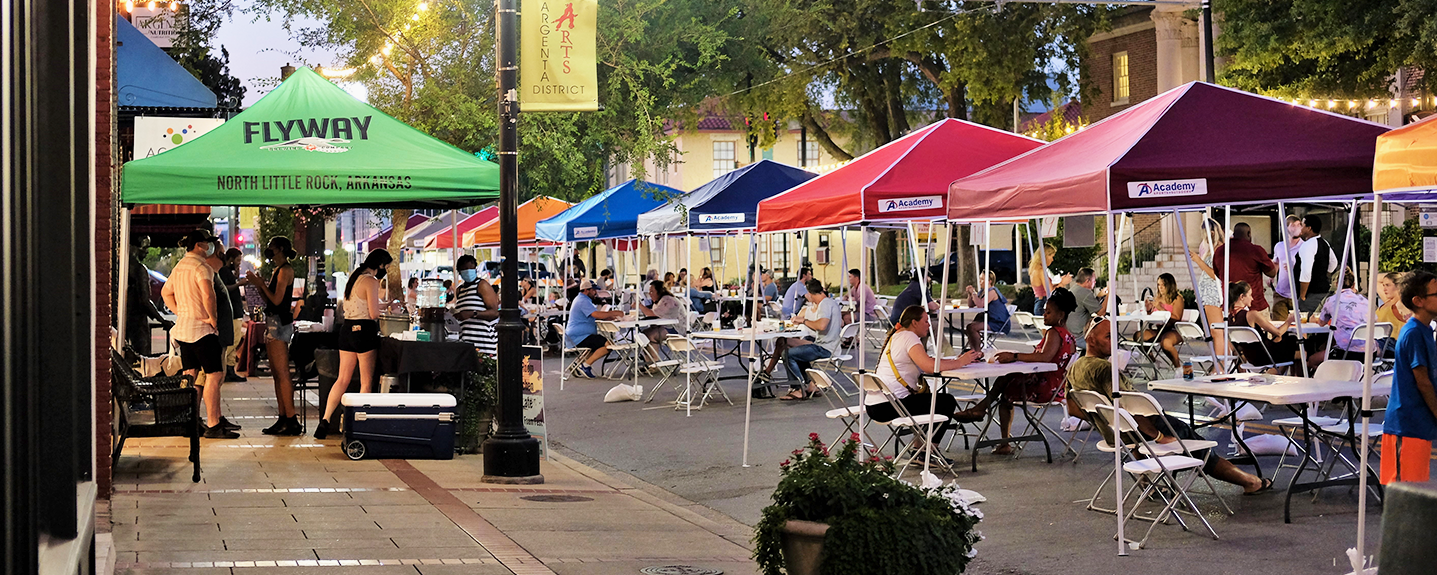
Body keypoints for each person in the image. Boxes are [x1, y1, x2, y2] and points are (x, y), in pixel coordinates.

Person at [1069, 319, 1272, 493]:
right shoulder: (1105, 369)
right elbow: (1132, 408)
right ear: (1091, 339)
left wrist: (1105, 421)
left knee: (1182, 435)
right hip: (1149, 428)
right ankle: (1251, 482)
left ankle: (1148, 481)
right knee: (1204, 451)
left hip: (1117, 436)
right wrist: (1157, 436)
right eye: (1107, 337)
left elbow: (1073, 408)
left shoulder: (1075, 368)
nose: (1113, 341)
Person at [954, 288, 1078, 455]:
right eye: (1044, 311)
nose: (1044, 315)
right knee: (1009, 379)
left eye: (1048, 312)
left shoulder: (1054, 333)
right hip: (1057, 387)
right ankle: (982, 411)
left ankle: (991, 423)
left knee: (1006, 389)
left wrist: (1015, 356)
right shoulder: (1068, 336)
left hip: (1045, 388)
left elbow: (1044, 357)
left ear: (1061, 315)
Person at [868, 305, 984, 446]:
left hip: (876, 405)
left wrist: (956, 361)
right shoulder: (909, 337)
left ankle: (920, 447)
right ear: (914, 323)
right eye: (925, 321)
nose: (929, 325)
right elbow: (929, 367)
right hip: (890, 405)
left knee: (934, 402)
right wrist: (960, 362)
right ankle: (925, 451)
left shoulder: (898, 335)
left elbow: (928, 361)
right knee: (946, 402)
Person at [161, 230, 237, 439]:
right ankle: (213, 423)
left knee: (190, 374)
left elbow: (165, 293)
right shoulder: (201, 267)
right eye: (207, 244)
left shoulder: (179, 267)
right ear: (199, 245)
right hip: (202, 331)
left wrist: (181, 312)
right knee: (214, 374)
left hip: (184, 330)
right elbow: (208, 294)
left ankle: (190, 420)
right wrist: (212, 318)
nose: (209, 248)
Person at [315, 250, 392, 439]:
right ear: (380, 265)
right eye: (386, 267)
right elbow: (373, 314)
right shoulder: (371, 281)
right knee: (366, 382)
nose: (386, 272)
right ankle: (360, 426)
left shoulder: (354, 278)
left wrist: (384, 304)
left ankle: (325, 420)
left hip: (347, 330)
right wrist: (389, 310)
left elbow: (362, 305)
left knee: (342, 379)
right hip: (364, 331)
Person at [1382, 270, 1437, 485]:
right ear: (1418, 301)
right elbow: (1422, 381)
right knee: (1403, 492)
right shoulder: (1413, 332)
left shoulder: (1424, 330)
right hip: (1406, 424)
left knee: (1415, 489)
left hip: (1418, 424)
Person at [244, 236, 301, 436]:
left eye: (272, 249)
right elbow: (269, 298)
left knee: (282, 372)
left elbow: (277, 299)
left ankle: (291, 418)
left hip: (279, 323)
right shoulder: (279, 270)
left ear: (281, 249)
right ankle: (283, 416)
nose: (269, 252)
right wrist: (259, 284)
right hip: (274, 321)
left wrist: (260, 283)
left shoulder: (286, 270)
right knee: (277, 373)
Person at [765, 279, 843, 400]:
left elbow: (822, 326)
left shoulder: (825, 304)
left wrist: (804, 321)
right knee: (790, 347)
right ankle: (811, 382)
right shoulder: (831, 303)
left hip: (826, 348)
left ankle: (798, 389)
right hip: (828, 345)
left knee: (788, 354)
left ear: (810, 293)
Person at [1227, 281, 1302, 371]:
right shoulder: (1252, 315)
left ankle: (1275, 378)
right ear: (1242, 297)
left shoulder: (1229, 319)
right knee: (1298, 343)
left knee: (1291, 344)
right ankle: (1303, 376)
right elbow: (1278, 333)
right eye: (1250, 295)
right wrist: (1290, 320)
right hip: (1266, 356)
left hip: (1251, 358)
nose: (1252, 299)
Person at [567, 279, 627, 379]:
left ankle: (577, 364)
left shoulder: (582, 299)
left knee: (595, 345)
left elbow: (594, 315)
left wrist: (608, 317)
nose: (595, 292)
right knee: (608, 345)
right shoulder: (583, 301)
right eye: (593, 290)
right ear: (586, 290)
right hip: (580, 336)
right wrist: (614, 313)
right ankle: (585, 365)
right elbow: (596, 314)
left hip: (576, 335)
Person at [1212, 222, 1277, 312]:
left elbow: (1217, 273)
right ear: (1249, 234)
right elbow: (1272, 273)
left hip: (1230, 308)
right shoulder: (1256, 250)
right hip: (1255, 306)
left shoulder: (1220, 251)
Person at [126, 235, 172, 356]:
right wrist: (163, 321)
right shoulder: (139, 269)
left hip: (121, 320)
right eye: (144, 247)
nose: (146, 251)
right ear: (133, 248)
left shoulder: (118, 267)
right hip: (136, 321)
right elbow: (145, 301)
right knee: (142, 359)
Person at [1190, 218, 1227, 352]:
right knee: (1216, 330)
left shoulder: (1218, 249)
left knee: (1216, 330)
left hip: (1213, 293)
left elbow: (1216, 275)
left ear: (1211, 233)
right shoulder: (1213, 250)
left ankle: (1221, 364)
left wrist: (1199, 260)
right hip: (1208, 292)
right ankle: (1222, 360)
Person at [1135, 273, 1185, 369]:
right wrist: (1148, 310)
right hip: (1159, 330)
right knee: (1138, 336)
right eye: (1158, 285)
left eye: (1163, 285)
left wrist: (1160, 308)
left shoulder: (1177, 299)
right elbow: (1154, 317)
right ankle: (1153, 361)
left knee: (1166, 343)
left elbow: (1176, 317)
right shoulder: (1157, 298)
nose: (1160, 288)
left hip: (1173, 330)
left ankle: (1178, 367)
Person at [1317, 268, 1369, 361]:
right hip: (1369, 353)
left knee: (1312, 361)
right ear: (1353, 285)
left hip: (1346, 352)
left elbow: (1321, 323)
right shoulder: (1364, 301)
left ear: (1336, 284)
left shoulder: (1332, 300)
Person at [453, 255, 499, 356]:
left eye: (471, 268)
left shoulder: (482, 285)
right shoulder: (460, 290)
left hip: (484, 343)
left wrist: (473, 314)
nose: (468, 271)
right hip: (466, 342)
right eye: (465, 269)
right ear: (459, 272)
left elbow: (494, 312)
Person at [1294, 214, 1338, 315]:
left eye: (1303, 225)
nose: (1301, 227)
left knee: (1307, 325)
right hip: (1323, 291)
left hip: (1311, 293)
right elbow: (1333, 262)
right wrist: (1323, 274)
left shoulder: (1308, 245)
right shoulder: (1325, 243)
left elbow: (1306, 271)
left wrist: (1302, 295)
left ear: (1309, 228)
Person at [220, 248, 248, 382]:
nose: (239, 262)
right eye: (237, 260)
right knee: (235, 339)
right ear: (230, 259)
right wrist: (239, 283)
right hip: (233, 311)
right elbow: (226, 288)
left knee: (235, 339)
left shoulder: (228, 272)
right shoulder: (223, 271)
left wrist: (236, 277)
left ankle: (230, 368)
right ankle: (223, 364)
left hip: (235, 309)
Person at [964, 271, 1011, 351]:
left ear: (989, 281)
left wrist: (974, 293)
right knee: (969, 328)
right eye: (980, 279)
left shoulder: (992, 292)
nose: (980, 281)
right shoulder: (982, 292)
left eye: (982, 279)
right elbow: (971, 305)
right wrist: (970, 294)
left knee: (972, 328)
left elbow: (980, 305)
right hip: (989, 319)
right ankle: (974, 350)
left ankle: (977, 352)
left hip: (998, 322)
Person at [1270, 215, 1303, 320]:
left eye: (1299, 225)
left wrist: (1294, 268)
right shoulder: (1279, 246)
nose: (1297, 228)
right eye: (1293, 225)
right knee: (1279, 328)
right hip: (1281, 293)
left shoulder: (1305, 246)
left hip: (1298, 295)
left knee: (1301, 329)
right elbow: (1276, 262)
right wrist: (1272, 276)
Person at [638, 280, 686, 351]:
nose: (649, 294)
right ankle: (649, 359)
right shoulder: (659, 301)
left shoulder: (668, 301)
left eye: (652, 291)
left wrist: (639, 305)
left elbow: (653, 313)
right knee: (645, 334)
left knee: (650, 335)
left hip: (677, 329)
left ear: (659, 291)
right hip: (667, 326)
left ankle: (653, 359)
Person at [1028, 243, 1071, 314]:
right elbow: (1050, 292)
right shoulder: (1041, 271)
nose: (1052, 259)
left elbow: (1045, 289)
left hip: (1039, 302)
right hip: (1043, 304)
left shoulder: (1034, 269)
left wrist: (1060, 282)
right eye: (1051, 256)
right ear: (1045, 256)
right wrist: (1063, 283)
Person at [1376, 272, 1412, 345]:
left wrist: (1406, 277)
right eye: (1383, 285)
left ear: (1398, 286)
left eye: (1388, 285)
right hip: (1380, 342)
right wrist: (1405, 275)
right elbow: (1375, 278)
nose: (1384, 289)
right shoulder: (1388, 301)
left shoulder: (1402, 305)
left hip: (1392, 344)